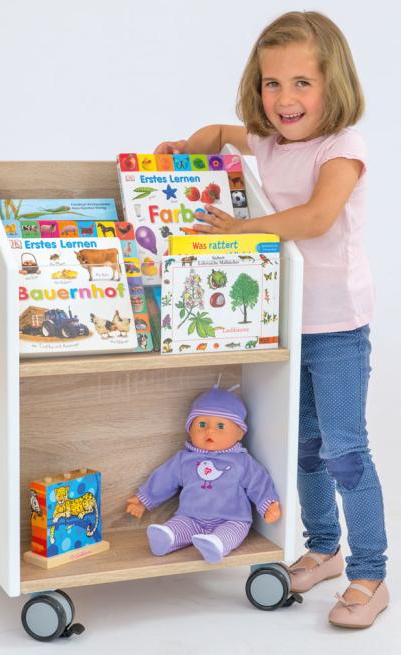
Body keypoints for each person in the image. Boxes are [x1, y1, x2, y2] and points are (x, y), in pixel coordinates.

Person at [154, 11, 388, 629]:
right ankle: (323, 548)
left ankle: (370, 572)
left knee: (345, 451)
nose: (285, 99)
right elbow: (219, 132)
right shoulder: (267, 142)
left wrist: (241, 230)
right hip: (285, 325)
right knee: (304, 448)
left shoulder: (343, 148)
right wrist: (186, 148)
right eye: (271, 83)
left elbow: (316, 217)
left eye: (302, 83)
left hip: (337, 328)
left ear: (334, 84)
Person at [126, 383, 280, 564]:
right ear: (189, 429)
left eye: (220, 425)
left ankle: (216, 544)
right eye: (202, 424)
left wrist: (268, 504)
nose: (210, 431)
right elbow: (164, 478)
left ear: (239, 433)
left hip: (232, 518)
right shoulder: (184, 459)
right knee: (178, 526)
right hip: (192, 516)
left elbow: (258, 482)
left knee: (232, 532)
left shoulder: (241, 461)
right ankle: (167, 538)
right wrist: (144, 499)